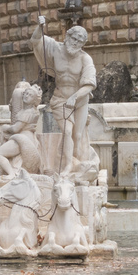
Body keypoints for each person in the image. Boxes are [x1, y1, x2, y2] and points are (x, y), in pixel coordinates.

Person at [30, 16, 96, 176]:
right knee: (67, 131)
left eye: (80, 41)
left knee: (77, 135)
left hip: (80, 100)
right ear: (67, 36)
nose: (75, 43)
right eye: (73, 38)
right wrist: (40, 26)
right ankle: (67, 167)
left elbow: (89, 84)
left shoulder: (85, 58)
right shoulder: (55, 49)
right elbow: (36, 41)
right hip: (60, 99)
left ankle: (76, 166)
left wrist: (75, 97)